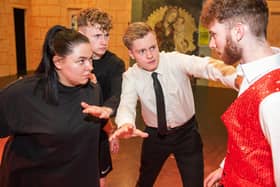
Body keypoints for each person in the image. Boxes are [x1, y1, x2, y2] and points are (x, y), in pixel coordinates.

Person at [105, 22, 237, 187]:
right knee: (144, 181)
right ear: (131, 54)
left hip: (186, 135)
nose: (150, 55)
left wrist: (236, 78)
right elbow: (126, 104)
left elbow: (204, 66)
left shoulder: (175, 61)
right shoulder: (131, 77)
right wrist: (125, 123)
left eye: (152, 47)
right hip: (154, 136)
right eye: (142, 51)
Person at [0, 25, 110, 187]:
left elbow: (96, 137)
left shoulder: (93, 91)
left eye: (90, 59)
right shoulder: (22, 94)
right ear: (58, 61)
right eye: (81, 61)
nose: (90, 67)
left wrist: (101, 173)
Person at [200, 0, 280, 186]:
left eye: (214, 34)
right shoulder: (252, 73)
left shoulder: (274, 99)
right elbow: (251, 142)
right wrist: (226, 166)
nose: (212, 43)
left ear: (238, 32)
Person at [77, 8, 125, 187]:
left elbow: (116, 95)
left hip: (98, 131)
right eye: (97, 35)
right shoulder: (68, 58)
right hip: (70, 130)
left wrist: (109, 124)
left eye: (106, 35)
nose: (104, 41)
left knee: (99, 178)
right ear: (80, 34)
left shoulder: (115, 64)